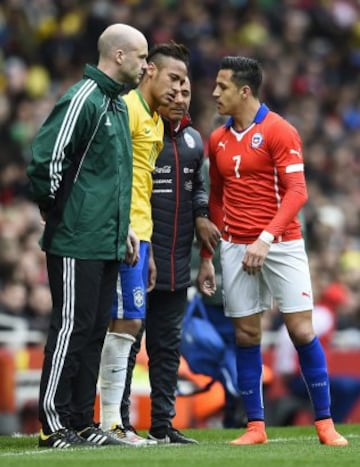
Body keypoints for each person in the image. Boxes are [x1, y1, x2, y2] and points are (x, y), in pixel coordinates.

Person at [197, 56, 348, 447]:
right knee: (246, 334)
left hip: (280, 244)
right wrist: (208, 256)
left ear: (244, 91)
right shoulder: (218, 139)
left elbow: (298, 192)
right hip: (234, 245)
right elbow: (216, 198)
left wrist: (265, 238)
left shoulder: (280, 131)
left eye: (222, 86)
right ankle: (255, 427)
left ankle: (325, 423)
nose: (214, 93)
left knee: (301, 330)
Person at [26, 23, 148, 449]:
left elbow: (106, 180)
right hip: (77, 238)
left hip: (106, 238)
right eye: (141, 57)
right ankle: (53, 424)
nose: (146, 65)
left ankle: (81, 421)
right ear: (118, 56)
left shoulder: (116, 105)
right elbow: (47, 160)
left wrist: (124, 228)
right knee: (70, 329)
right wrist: (58, 212)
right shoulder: (84, 98)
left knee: (95, 329)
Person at [98, 42, 191, 446]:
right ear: (149, 70)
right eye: (173, 79)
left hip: (141, 237)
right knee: (124, 325)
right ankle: (108, 423)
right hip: (122, 233)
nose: (178, 90)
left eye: (185, 83)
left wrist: (149, 244)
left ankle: (114, 424)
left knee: (129, 324)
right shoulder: (128, 108)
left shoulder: (153, 120)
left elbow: (142, 185)